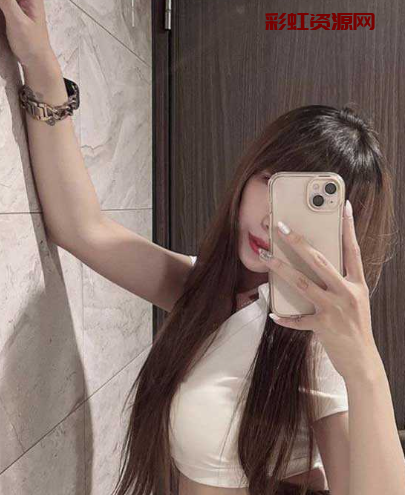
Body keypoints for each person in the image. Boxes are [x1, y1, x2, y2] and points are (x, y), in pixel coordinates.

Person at [1, 1, 405, 495]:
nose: (272, 222)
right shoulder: (202, 288)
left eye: (303, 213)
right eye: (271, 182)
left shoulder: (315, 344)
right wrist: (41, 65)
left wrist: (363, 362)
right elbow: (82, 228)